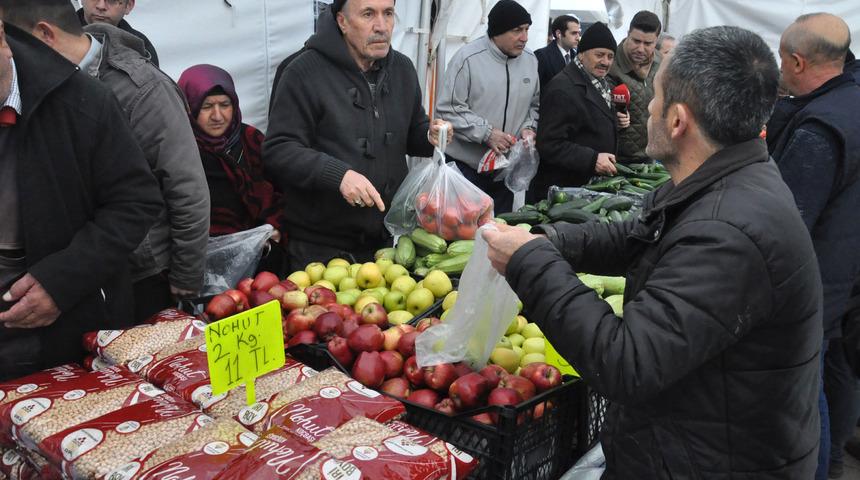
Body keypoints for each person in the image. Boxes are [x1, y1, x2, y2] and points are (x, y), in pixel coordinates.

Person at [485, 26, 820, 478]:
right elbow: (640, 234)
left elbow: (628, 362)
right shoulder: (728, 178)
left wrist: (530, 263)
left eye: (657, 98)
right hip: (688, 443)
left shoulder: (728, 232)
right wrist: (547, 242)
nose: (648, 109)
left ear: (678, 121)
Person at [1, 0, 211, 323]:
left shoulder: (140, 89)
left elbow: (186, 188)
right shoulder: (34, 94)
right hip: (84, 278)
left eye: (17, 42)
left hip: (143, 272)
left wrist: (185, 280)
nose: (16, 55)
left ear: (44, 35)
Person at [0, 19, 162, 380]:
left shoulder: (82, 103)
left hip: (65, 331)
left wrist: (62, 281)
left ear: (2, 41)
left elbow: (136, 202)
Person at [264, 0, 450, 271]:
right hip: (320, 247)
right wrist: (338, 175)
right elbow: (279, 148)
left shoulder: (402, 69)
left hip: (387, 242)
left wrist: (430, 135)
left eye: (388, 13)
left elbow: (412, 132)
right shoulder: (302, 71)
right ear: (342, 21)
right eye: (368, 14)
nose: (381, 26)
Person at [765, 13, 860, 479]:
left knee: (807, 395)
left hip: (819, 283)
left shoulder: (817, 130)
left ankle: (821, 469)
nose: (781, 68)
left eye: (783, 59)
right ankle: (835, 462)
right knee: (838, 379)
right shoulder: (851, 99)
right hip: (846, 275)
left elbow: (788, 223)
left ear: (799, 62)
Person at [179, 64, 287, 275]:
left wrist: (275, 228)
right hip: (202, 266)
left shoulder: (251, 140)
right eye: (207, 106)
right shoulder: (180, 150)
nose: (217, 116)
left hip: (262, 260)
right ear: (190, 107)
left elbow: (280, 192)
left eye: (225, 104)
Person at [435, 0, 539, 214]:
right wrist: (487, 133)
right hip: (465, 169)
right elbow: (448, 109)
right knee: (461, 230)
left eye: (527, 29)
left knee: (498, 229)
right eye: (517, 30)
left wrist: (529, 127)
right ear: (497, 32)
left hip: (505, 170)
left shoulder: (530, 60)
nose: (524, 37)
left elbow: (534, 104)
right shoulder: (467, 58)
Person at [532, 22, 629, 198]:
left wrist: (615, 121)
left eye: (610, 56)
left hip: (586, 188)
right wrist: (593, 160)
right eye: (599, 55)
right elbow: (549, 143)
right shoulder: (562, 88)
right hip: (563, 193)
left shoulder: (601, 83)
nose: (605, 62)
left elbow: (589, 120)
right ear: (582, 54)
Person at [608, 10, 662, 164]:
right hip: (617, 159)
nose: (640, 49)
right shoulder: (610, 64)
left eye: (648, 44)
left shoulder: (661, 62)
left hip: (652, 156)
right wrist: (614, 118)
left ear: (656, 41)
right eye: (636, 41)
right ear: (628, 34)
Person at [76, 0, 158, 66]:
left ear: (128, 5)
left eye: (112, 0)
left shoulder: (141, 47)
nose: (101, 6)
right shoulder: (67, 37)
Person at [534, 14, 580, 90]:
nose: (578, 38)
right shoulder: (542, 56)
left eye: (578, 33)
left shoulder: (577, 57)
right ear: (559, 34)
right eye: (574, 33)